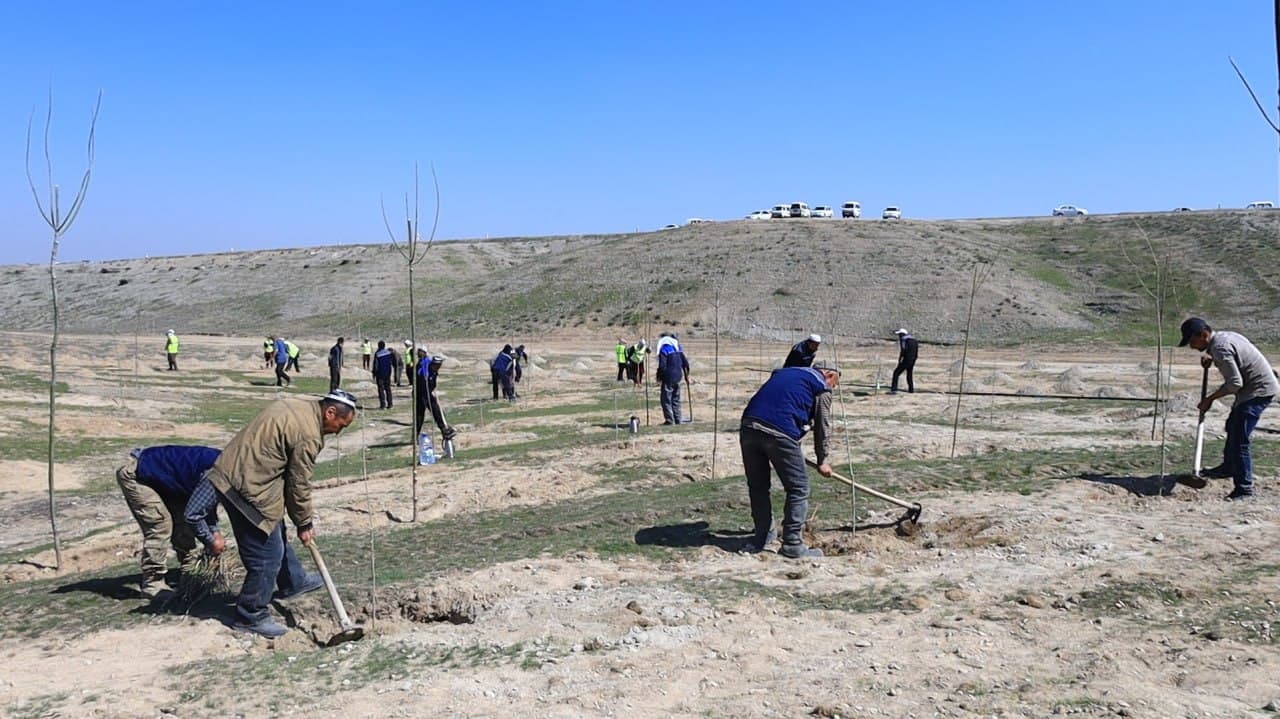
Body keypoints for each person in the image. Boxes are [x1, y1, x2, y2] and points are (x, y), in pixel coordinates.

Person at [184, 390, 359, 638]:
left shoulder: (302, 404)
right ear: (329, 412)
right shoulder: (308, 434)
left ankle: (293, 581)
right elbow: (298, 483)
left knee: (274, 529)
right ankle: (250, 614)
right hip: (246, 487)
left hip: (241, 474)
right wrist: (304, 522)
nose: (338, 431)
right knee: (266, 555)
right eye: (340, 425)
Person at [739, 361, 840, 558]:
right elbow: (822, 425)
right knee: (798, 488)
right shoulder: (821, 386)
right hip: (779, 431)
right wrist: (822, 460)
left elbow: (785, 401)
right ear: (828, 375)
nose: (833, 389)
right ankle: (793, 544)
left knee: (758, 487)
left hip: (748, 427)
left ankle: (762, 538)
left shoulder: (786, 373)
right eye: (834, 384)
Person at [1179, 317, 1279, 501]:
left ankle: (1244, 489)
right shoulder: (1225, 337)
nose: (1192, 347)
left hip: (1258, 391)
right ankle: (1228, 467)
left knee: (1240, 440)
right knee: (1232, 424)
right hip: (1254, 389)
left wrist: (1210, 399)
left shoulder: (1220, 348)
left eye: (1192, 341)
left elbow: (1235, 383)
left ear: (1204, 334)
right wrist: (1212, 359)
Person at [116, 444, 222, 598]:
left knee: (182, 524)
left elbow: (206, 504)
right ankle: (153, 584)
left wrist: (215, 533)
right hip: (137, 473)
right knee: (160, 525)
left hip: (168, 480)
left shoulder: (229, 467)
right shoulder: (219, 470)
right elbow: (199, 511)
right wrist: (211, 539)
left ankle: (189, 572)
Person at [415, 350, 457, 440]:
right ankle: (415, 437)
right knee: (420, 417)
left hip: (428, 393)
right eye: (438, 366)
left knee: (437, 411)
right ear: (435, 364)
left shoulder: (434, 370)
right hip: (421, 395)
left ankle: (444, 431)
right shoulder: (425, 371)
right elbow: (420, 376)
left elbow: (433, 384)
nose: (439, 367)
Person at [657, 336, 691, 425]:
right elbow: (686, 364)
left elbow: (662, 366)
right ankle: (678, 419)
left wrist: (659, 377)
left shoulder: (664, 350)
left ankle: (670, 420)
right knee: (676, 399)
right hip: (678, 377)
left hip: (668, 377)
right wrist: (687, 377)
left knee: (666, 399)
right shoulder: (678, 349)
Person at [890, 328, 918, 394]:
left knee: (896, 373)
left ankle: (894, 389)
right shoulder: (914, 340)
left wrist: (900, 359)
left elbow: (903, 350)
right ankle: (911, 389)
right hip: (913, 359)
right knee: (909, 374)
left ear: (902, 334)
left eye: (899, 334)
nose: (899, 336)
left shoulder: (904, 340)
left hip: (906, 359)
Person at [372, 340, 395, 409]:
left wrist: (374, 373)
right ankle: (390, 404)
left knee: (381, 390)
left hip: (380, 375)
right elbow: (391, 362)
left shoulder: (377, 354)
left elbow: (376, 365)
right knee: (388, 389)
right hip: (387, 374)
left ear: (378, 346)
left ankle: (383, 405)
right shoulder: (388, 353)